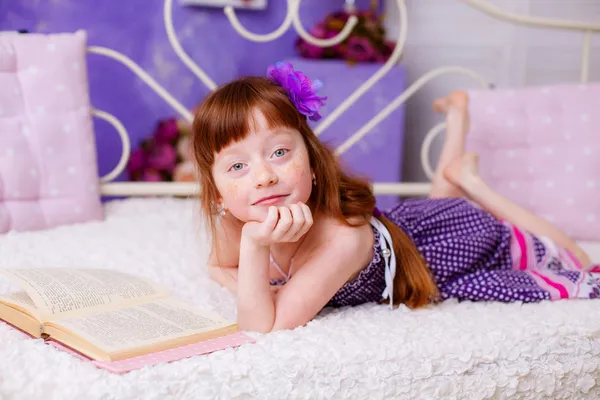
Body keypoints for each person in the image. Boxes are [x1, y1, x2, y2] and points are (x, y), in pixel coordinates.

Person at [192, 61, 599, 333]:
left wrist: (254, 249)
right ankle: (460, 132)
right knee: (439, 200)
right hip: (404, 227)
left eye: (280, 153)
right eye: (237, 167)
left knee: (574, 258)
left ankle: (476, 185)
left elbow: (262, 327)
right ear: (219, 192)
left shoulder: (342, 240)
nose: (263, 176)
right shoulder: (234, 220)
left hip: (452, 243)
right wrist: (253, 257)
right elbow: (217, 267)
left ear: (313, 164)